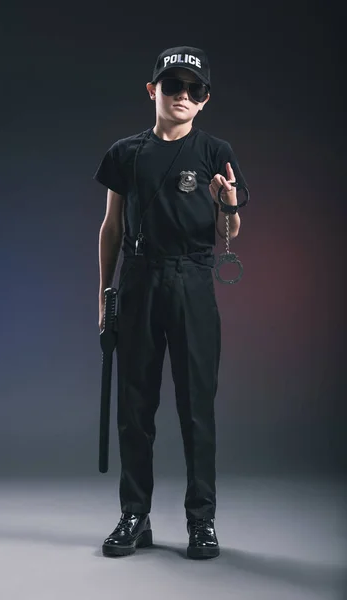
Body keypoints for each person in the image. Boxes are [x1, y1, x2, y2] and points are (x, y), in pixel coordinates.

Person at [93, 45, 247, 560]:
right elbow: (111, 226)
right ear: (152, 89)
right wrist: (103, 297)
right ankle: (134, 517)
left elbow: (230, 231)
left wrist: (226, 203)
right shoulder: (125, 153)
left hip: (193, 281)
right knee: (134, 408)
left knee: (196, 407)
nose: (183, 95)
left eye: (194, 89)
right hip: (138, 281)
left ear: (204, 100)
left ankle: (201, 520)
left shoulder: (215, 151)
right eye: (173, 86)